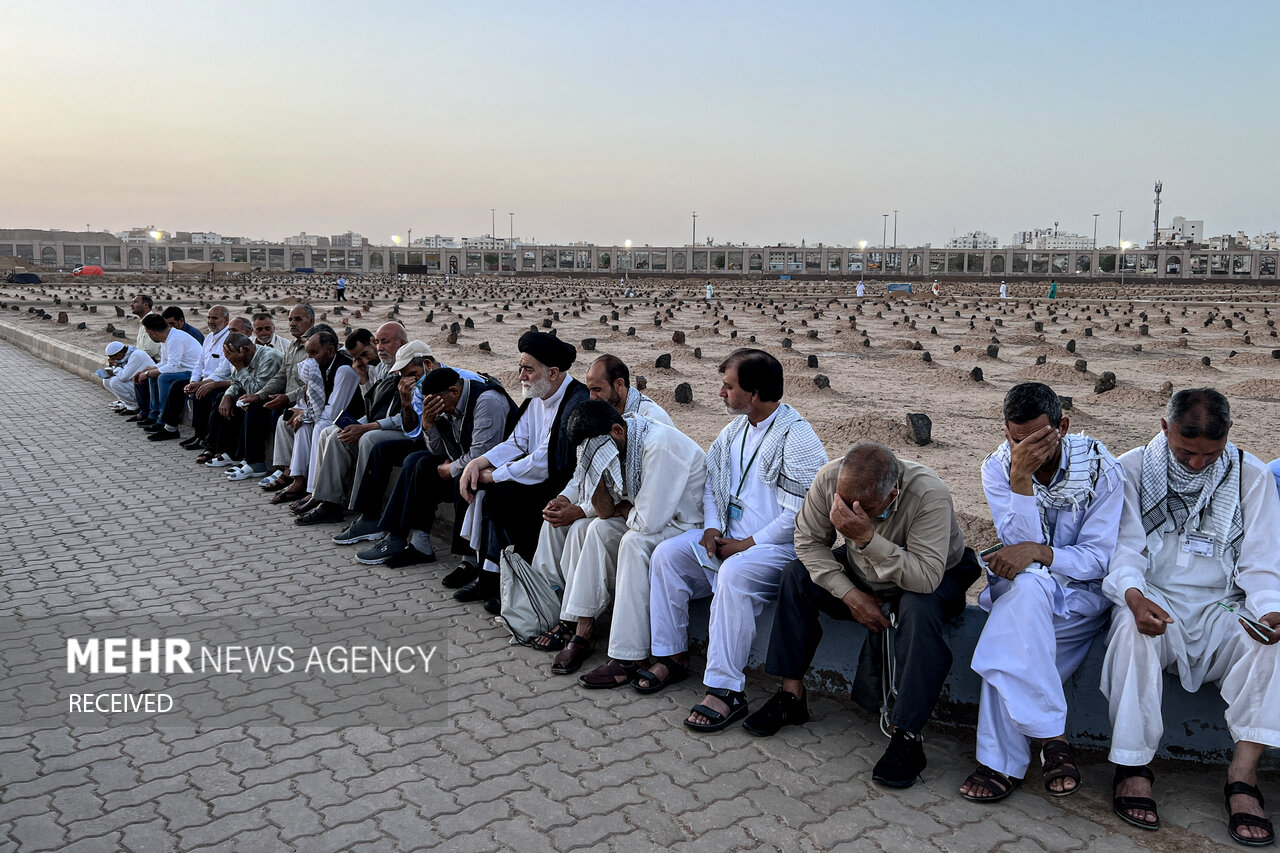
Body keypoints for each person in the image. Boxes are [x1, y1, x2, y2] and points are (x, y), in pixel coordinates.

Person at [740, 442, 978, 787]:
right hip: (864, 568)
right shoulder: (829, 479)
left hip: (934, 575)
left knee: (918, 609)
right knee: (796, 576)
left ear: (893, 494)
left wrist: (867, 538)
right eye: (845, 503)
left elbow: (926, 577)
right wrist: (850, 595)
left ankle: (907, 735)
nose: (851, 513)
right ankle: (791, 696)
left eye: (864, 509)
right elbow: (808, 543)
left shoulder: (929, 494)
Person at [1101, 388, 1280, 844]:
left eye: (1210, 454)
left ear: (1228, 435)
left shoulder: (1251, 474)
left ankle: (1243, 778)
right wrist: (1134, 596)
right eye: (1186, 452)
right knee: (1130, 631)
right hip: (1155, 597)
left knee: (1270, 643)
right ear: (1165, 428)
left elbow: (1261, 563)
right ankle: (1133, 767)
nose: (1198, 464)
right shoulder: (1130, 469)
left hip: (1224, 606)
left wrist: (1269, 610)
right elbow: (1123, 550)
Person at [641, 349, 827, 731]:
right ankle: (672, 656)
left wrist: (746, 545)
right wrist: (712, 529)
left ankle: (726, 690)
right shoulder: (734, 431)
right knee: (667, 555)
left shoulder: (797, 438)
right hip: (730, 538)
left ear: (754, 393)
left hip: (778, 550)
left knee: (734, 574)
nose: (721, 393)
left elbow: (800, 517)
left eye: (728, 386)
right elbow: (713, 485)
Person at [959, 383, 1124, 802]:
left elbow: (1100, 559)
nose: (1027, 449)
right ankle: (1054, 739)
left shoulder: (1101, 468)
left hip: (1079, 603)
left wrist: (1042, 553)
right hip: (1027, 595)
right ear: (1006, 432)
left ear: (1062, 427)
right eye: (1017, 440)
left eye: (1038, 439)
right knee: (1027, 592)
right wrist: (1020, 478)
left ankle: (1001, 764)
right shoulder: (998, 467)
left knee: (1007, 652)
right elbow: (1019, 547)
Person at [530, 399, 705, 680]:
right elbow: (605, 511)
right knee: (597, 530)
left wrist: (624, 508)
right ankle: (583, 631)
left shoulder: (657, 444)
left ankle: (629, 656)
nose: (598, 457)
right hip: (650, 518)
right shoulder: (607, 440)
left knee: (634, 544)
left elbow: (647, 522)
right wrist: (598, 473)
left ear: (617, 430)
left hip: (687, 525)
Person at [456, 331, 590, 612]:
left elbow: (544, 461)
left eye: (528, 369)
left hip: (564, 487)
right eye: (521, 368)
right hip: (537, 479)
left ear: (552, 373)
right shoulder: (538, 394)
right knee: (486, 491)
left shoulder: (575, 401)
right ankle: (489, 577)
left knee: (501, 495)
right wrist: (479, 463)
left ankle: (509, 583)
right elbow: (517, 442)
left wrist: (493, 475)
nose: (521, 377)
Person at [356, 366, 516, 569]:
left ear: (454, 391)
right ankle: (413, 542)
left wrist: (450, 469)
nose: (438, 411)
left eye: (439, 406)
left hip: (496, 469)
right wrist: (428, 424)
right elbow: (439, 451)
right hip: (467, 459)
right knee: (419, 463)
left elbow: (483, 455)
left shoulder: (487, 401)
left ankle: (469, 561)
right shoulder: (445, 402)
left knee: (464, 477)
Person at [268, 329, 363, 505]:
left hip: (351, 421)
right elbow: (311, 401)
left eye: (314, 352)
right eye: (308, 353)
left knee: (319, 426)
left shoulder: (344, 369)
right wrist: (302, 415)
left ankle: (315, 490)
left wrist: (305, 415)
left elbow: (333, 412)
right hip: (328, 417)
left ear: (331, 351)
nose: (309, 358)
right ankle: (299, 481)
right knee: (302, 424)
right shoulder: (318, 367)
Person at [150, 306, 231, 442]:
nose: (211, 321)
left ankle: (201, 437)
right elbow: (199, 364)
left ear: (226, 320)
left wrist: (201, 383)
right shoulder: (209, 337)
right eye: (209, 318)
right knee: (178, 386)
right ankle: (170, 428)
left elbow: (222, 371)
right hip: (203, 379)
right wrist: (193, 381)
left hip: (217, 381)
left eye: (215, 318)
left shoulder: (228, 338)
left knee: (202, 391)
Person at [258, 305, 315, 491]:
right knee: (256, 407)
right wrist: (258, 395)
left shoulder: (314, 348)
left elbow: (313, 385)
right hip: (289, 398)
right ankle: (254, 462)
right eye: (290, 319)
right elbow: (281, 376)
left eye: (298, 319)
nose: (292, 323)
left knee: (283, 416)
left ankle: (287, 471)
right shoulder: (292, 346)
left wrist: (286, 397)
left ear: (311, 322)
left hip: (305, 401)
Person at [217, 332, 284, 480]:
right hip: (259, 395)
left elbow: (257, 391)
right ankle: (235, 454)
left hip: (277, 398)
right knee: (223, 400)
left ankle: (256, 464)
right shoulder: (239, 357)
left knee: (254, 409)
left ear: (245, 350)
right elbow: (236, 382)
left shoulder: (269, 358)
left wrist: (240, 367)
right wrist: (227, 396)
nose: (233, 361)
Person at [133, 314, 201, 431]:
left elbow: (172, 367)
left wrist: (147, 373)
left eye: (148, 333)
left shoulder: (175, 339)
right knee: (153, 376)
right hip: (182, 369)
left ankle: (163, 420)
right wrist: (146, 370)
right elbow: (164, 362)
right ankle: (154, 415)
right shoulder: (166, 337)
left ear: (152, 332)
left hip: (194, 373)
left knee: (163, 378)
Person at [582, 354, 673, 427]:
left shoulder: (652, 420)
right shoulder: (605, 409)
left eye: (597, 389)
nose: (592, 397)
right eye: (590, 390)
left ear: (619, 384)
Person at [102, 341, 155, 415]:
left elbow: (124, 377)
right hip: (135, 383)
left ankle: (134, 406)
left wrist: (116, 366)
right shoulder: (126, 356)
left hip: (147, 388)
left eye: (113, 358)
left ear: (119, 355)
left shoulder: (136, 355)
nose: (112, 360)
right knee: (106, 380)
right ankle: (125, 402)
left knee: (115, 381)